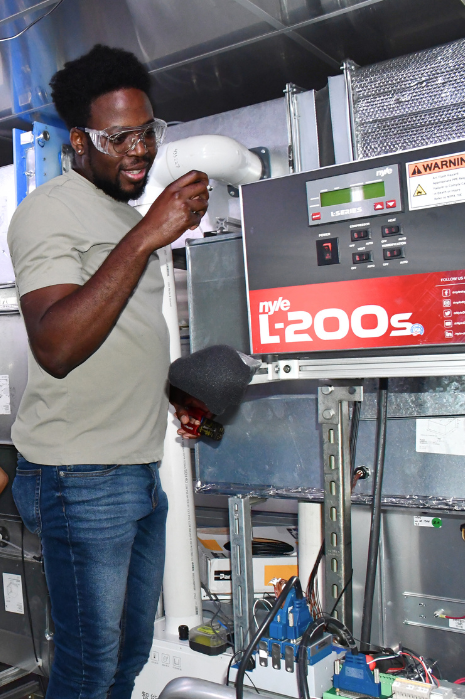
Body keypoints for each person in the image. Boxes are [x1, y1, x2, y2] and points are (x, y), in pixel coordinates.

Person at [7, 44, 209, 699]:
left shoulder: (122, 217)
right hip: (80, 476)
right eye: (118, 136)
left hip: (135, 468)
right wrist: (149, 233)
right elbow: (57, 344)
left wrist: (171, 393)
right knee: (89, 670)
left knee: (123, 663)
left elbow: (119, 333)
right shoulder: (49, 209)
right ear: (78, 140)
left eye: (146, 132)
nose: (138, 149)